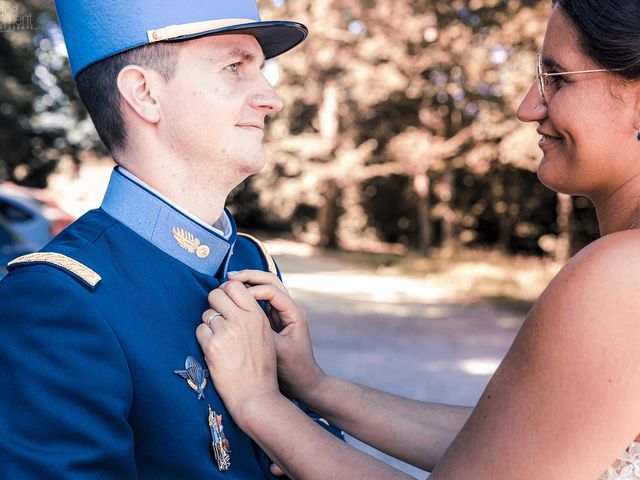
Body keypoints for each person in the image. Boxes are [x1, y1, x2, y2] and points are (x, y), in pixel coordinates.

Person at [195, 0, 640, 478]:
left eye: (557, 77)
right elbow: (518, 444)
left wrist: (259, 403)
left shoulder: (621, 274)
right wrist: (316, 388)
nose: (527, 107)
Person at [0, 1, 341, 478]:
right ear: (145, 94)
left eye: (261, 70)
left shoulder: (246, 258)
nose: (271, 98)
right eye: (235, 67)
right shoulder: (55, 298)